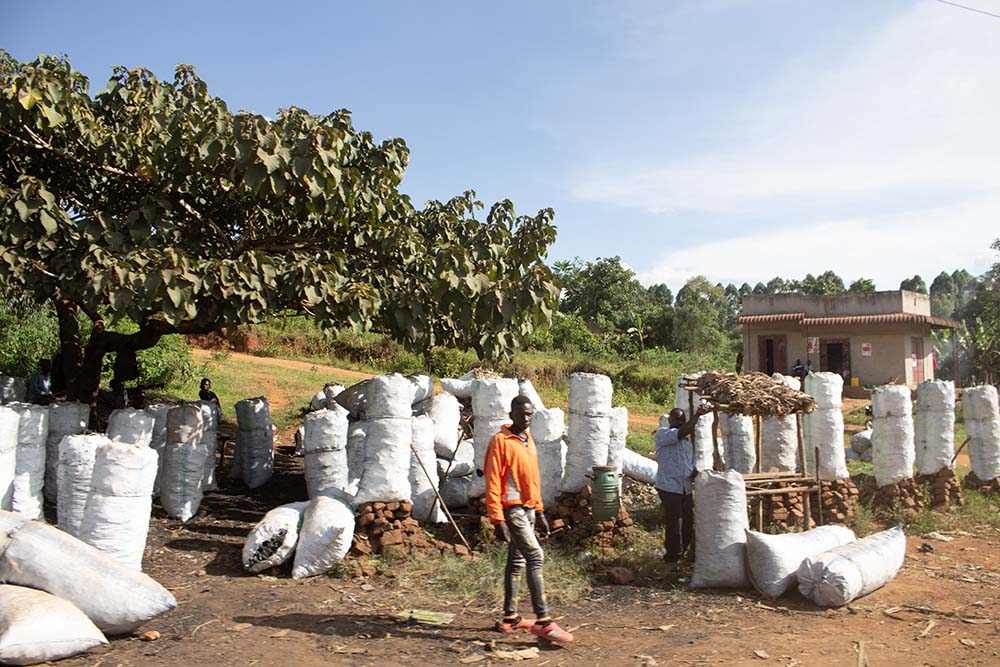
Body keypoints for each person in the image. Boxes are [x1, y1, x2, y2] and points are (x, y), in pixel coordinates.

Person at [484, 396, 573, 644]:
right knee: (536, 556)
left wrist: (541, 511)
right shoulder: (500, 441)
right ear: (511, 413)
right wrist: (496, 518)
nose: (526, 419)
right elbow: (492, 481)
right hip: (512, 509)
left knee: (517, 561)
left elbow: (532, 479)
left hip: (529, 509)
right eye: (521, 414)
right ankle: (543, 621)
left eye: (529, 414)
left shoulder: (528, 441)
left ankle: (510, 618)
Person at [655, 403, 711, 569]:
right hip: (669, 486)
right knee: (675, 521)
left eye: (682, 419)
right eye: (677, 418)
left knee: (687, 520)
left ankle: (684, 551)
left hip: (685, 487)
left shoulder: (686, 441)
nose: (680, 421)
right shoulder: (663, 434)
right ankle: (672, 556)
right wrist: (698, 415)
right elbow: (682, 431)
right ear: (670, 419)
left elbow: (687, 462)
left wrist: (698, 474)